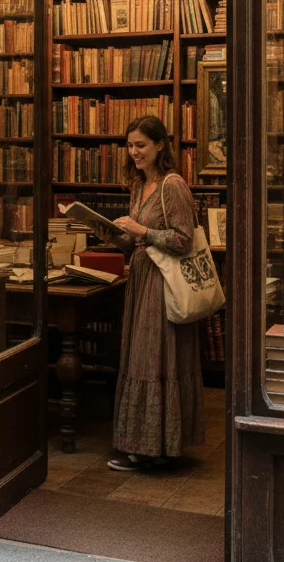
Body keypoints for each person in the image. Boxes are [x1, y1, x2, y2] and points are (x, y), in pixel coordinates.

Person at [95, 115, 205, 471]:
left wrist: (141, 230)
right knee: (141, 359)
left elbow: (184, 238)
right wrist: (111, 233)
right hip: (142, 280)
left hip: (163, 284)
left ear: (160, 145)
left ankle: (153, 447)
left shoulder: (172, 185)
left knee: (155, 360)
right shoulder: (139, 185)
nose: (134, 152)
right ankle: (143, 445)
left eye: (141, 145)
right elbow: (134, 242)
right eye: (130, 146)